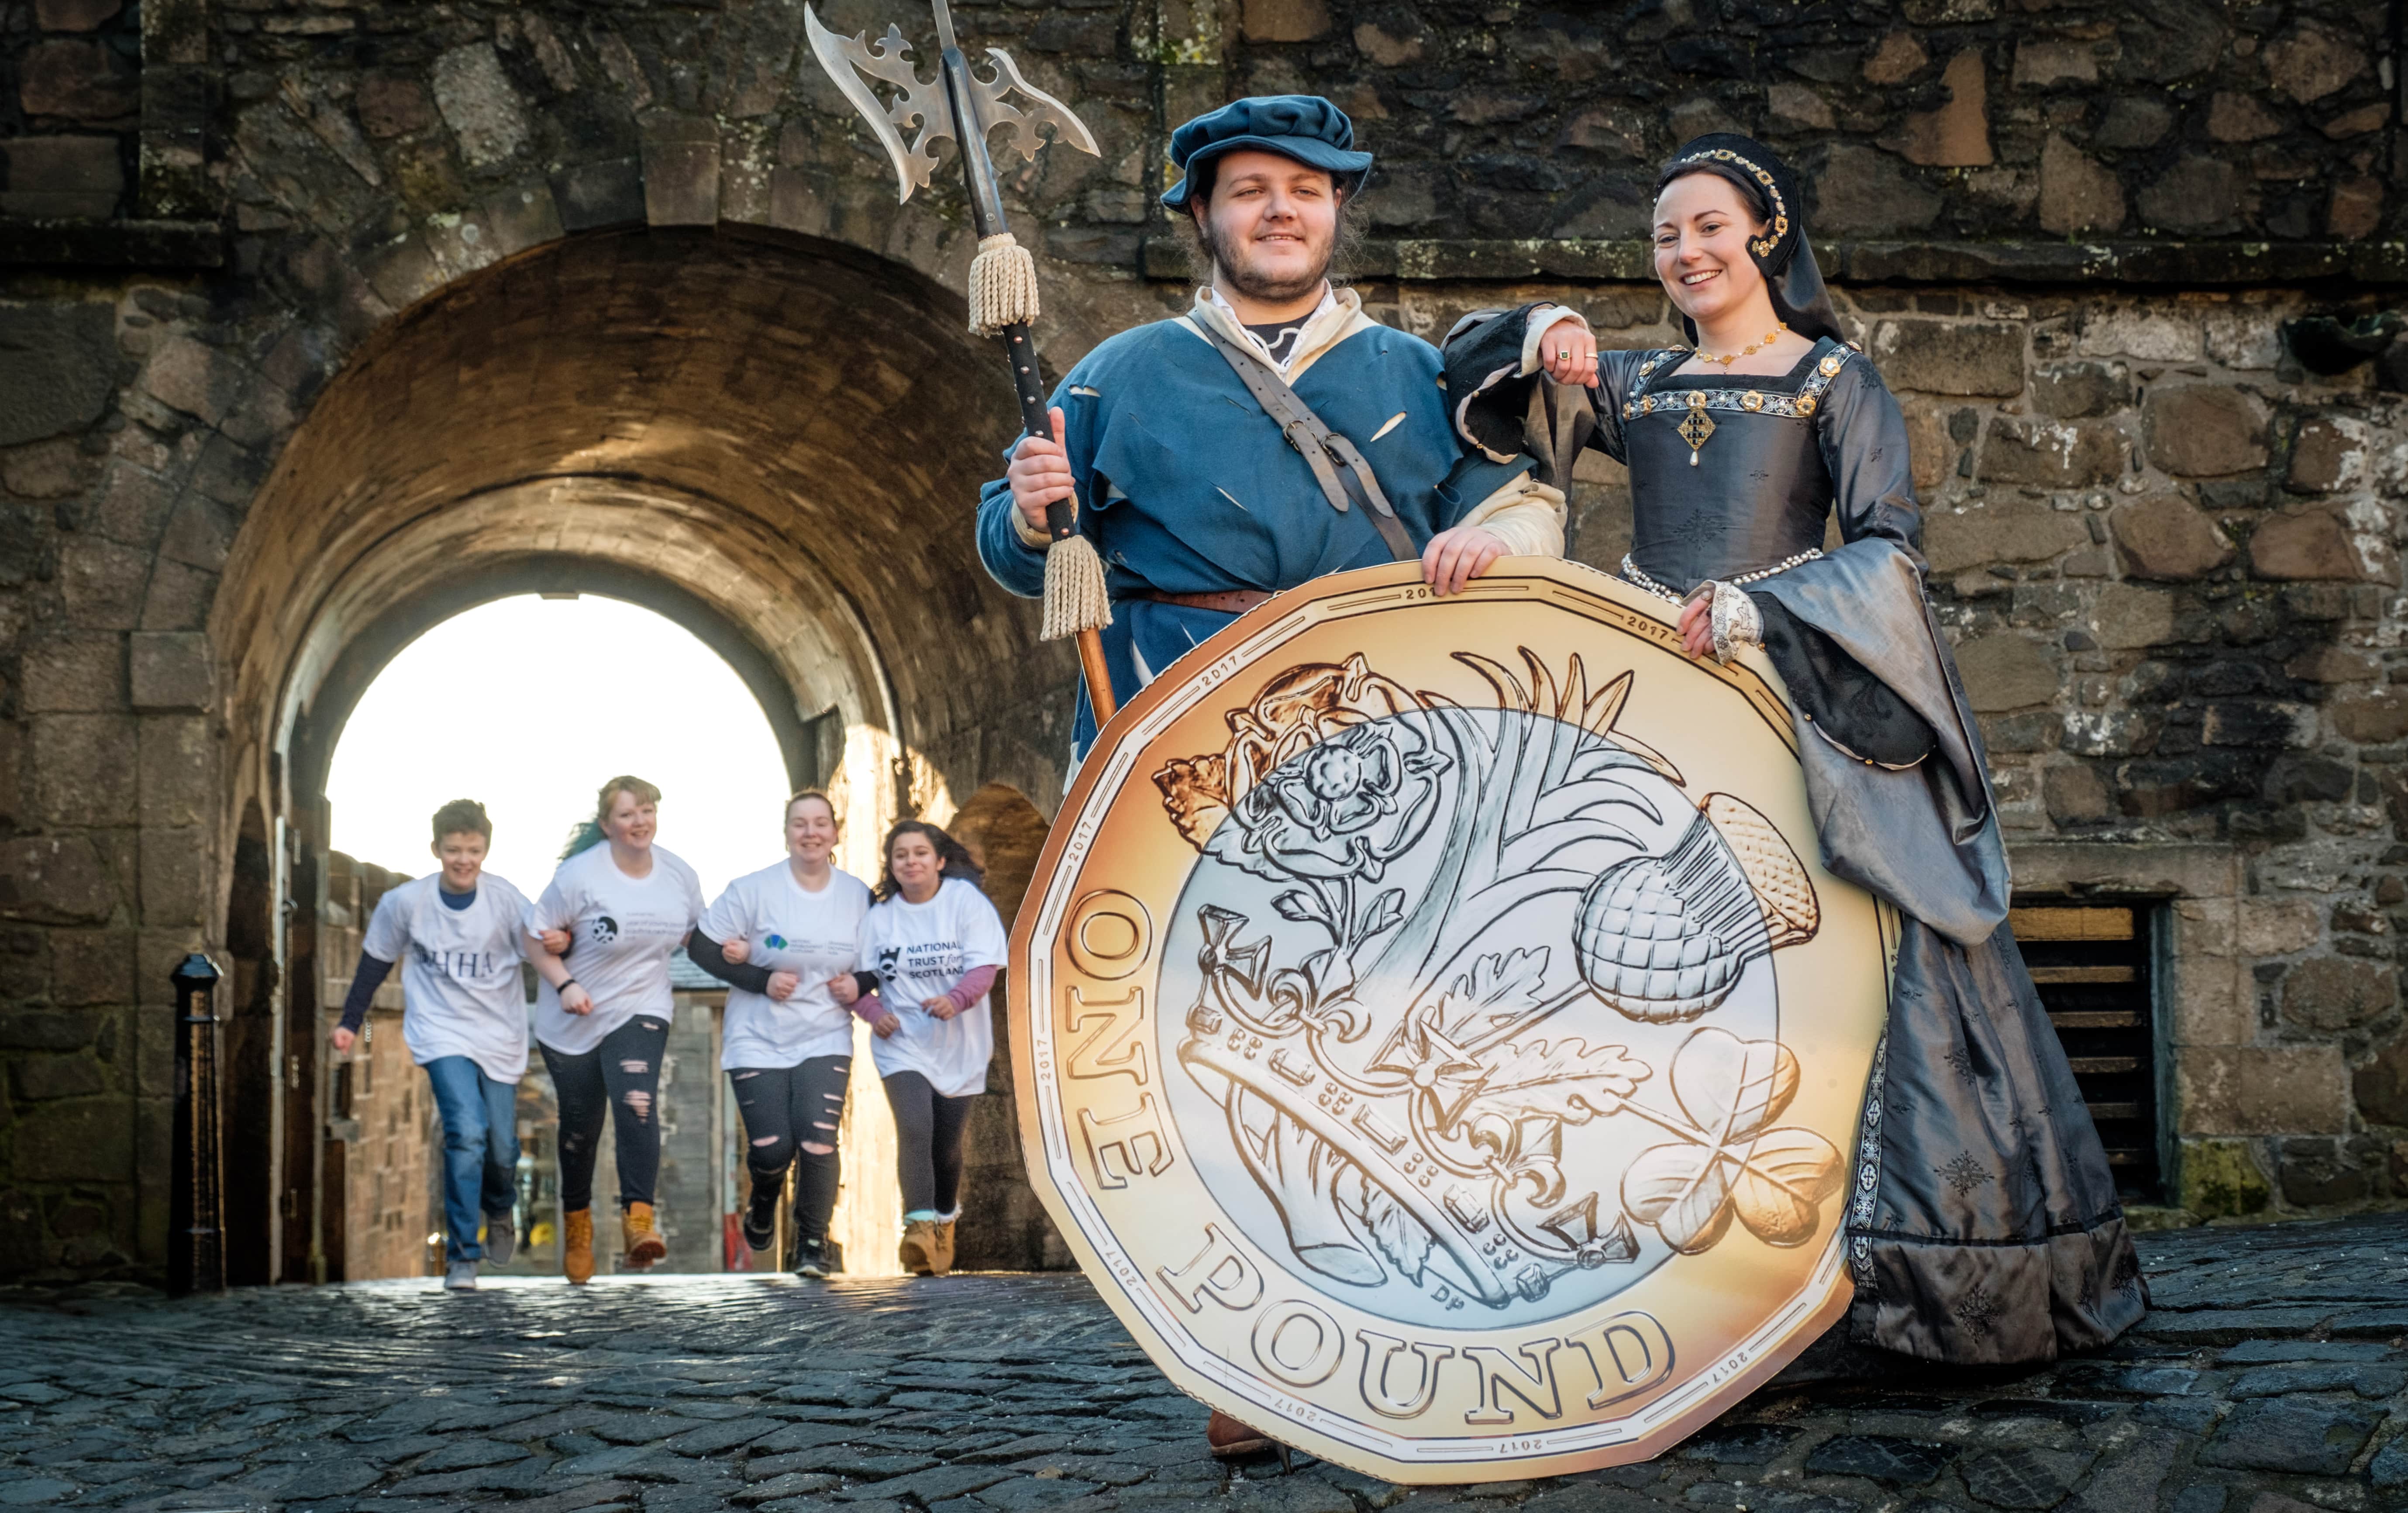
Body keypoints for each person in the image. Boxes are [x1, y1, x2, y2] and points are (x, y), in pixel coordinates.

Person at [1440, 134, 2145, 1366]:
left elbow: (1888, 546)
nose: (1686, 252)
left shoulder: (1833, 382)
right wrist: (1547, 322)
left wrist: (1766, 606)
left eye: (1708, 227)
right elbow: (1486, 382)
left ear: (1762, 234)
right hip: (1660, 697)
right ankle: (1648, 1275)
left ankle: (1853, 1279)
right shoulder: (1640, 381)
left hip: (1790, 688)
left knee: (1832, 959)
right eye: (1664, 235)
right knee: (1623, 940)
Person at [976, 95, 1569, 765]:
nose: (1280, 209)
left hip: (1385, 718)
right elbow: (1016, 559)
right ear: (1202, 210)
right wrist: (1029, 515)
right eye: (1250, 190)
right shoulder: (1113, 374)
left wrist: (1493, 537)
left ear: (1335, 205)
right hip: (1173, 723)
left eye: (1305, 190)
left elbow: (1530, 512)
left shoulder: (1419, 371)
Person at [328, 798, 535, 1292]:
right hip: (441, 1030)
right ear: (436, 849)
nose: (464, 860)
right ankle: (463, 1256)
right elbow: (374, 963)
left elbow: (545, 952)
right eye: (453, 850)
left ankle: (501, 1208)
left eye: (473, 850)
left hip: (500, 1033)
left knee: (503, 1148)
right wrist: (350, 1021)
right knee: (465, 1132)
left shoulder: (506, 900)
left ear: (486, 849)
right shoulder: (406, 904)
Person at [524, 776, 706, 1284]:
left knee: (637, 1101)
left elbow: (698, 935)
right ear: (607, 825)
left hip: (641, 1006)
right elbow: (535, 939)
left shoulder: (678, 875)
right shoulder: (580, 875)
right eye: (626, 814)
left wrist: (749, 961)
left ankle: (638, 1224)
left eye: (645, 810)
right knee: (581, 1130)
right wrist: (564, 984)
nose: (639, 821)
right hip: (573, 1017)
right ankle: (578, 1224)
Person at [686, 790, 872, 1280]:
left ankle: (812, 1243)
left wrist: (861, 983)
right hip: (757, 1037)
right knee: (772, 1149)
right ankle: (763, 1199)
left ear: (835, 831)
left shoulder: (857, 896)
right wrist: (761, 980)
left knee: (817, 1140)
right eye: (799, 824)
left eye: (820, 823)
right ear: (787, 833)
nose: (810, 832)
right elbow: (702, 949)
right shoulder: (753, 890)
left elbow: (879, 960)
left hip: (825, 1034)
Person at [827, 821, 1006, 1279]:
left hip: (960, 1044)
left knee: (946, 1148)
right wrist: (871, 1012)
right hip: (902, 1043)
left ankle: (944, 1220)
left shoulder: (965, 904)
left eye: (920, 853)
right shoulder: (880, 919)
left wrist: (955, 999)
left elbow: (985, 967)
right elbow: (861, 979)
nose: (911, 862)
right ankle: (919, 1227)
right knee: (914, 1127)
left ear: (940, 860)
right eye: (900, 855)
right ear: (891, 865)